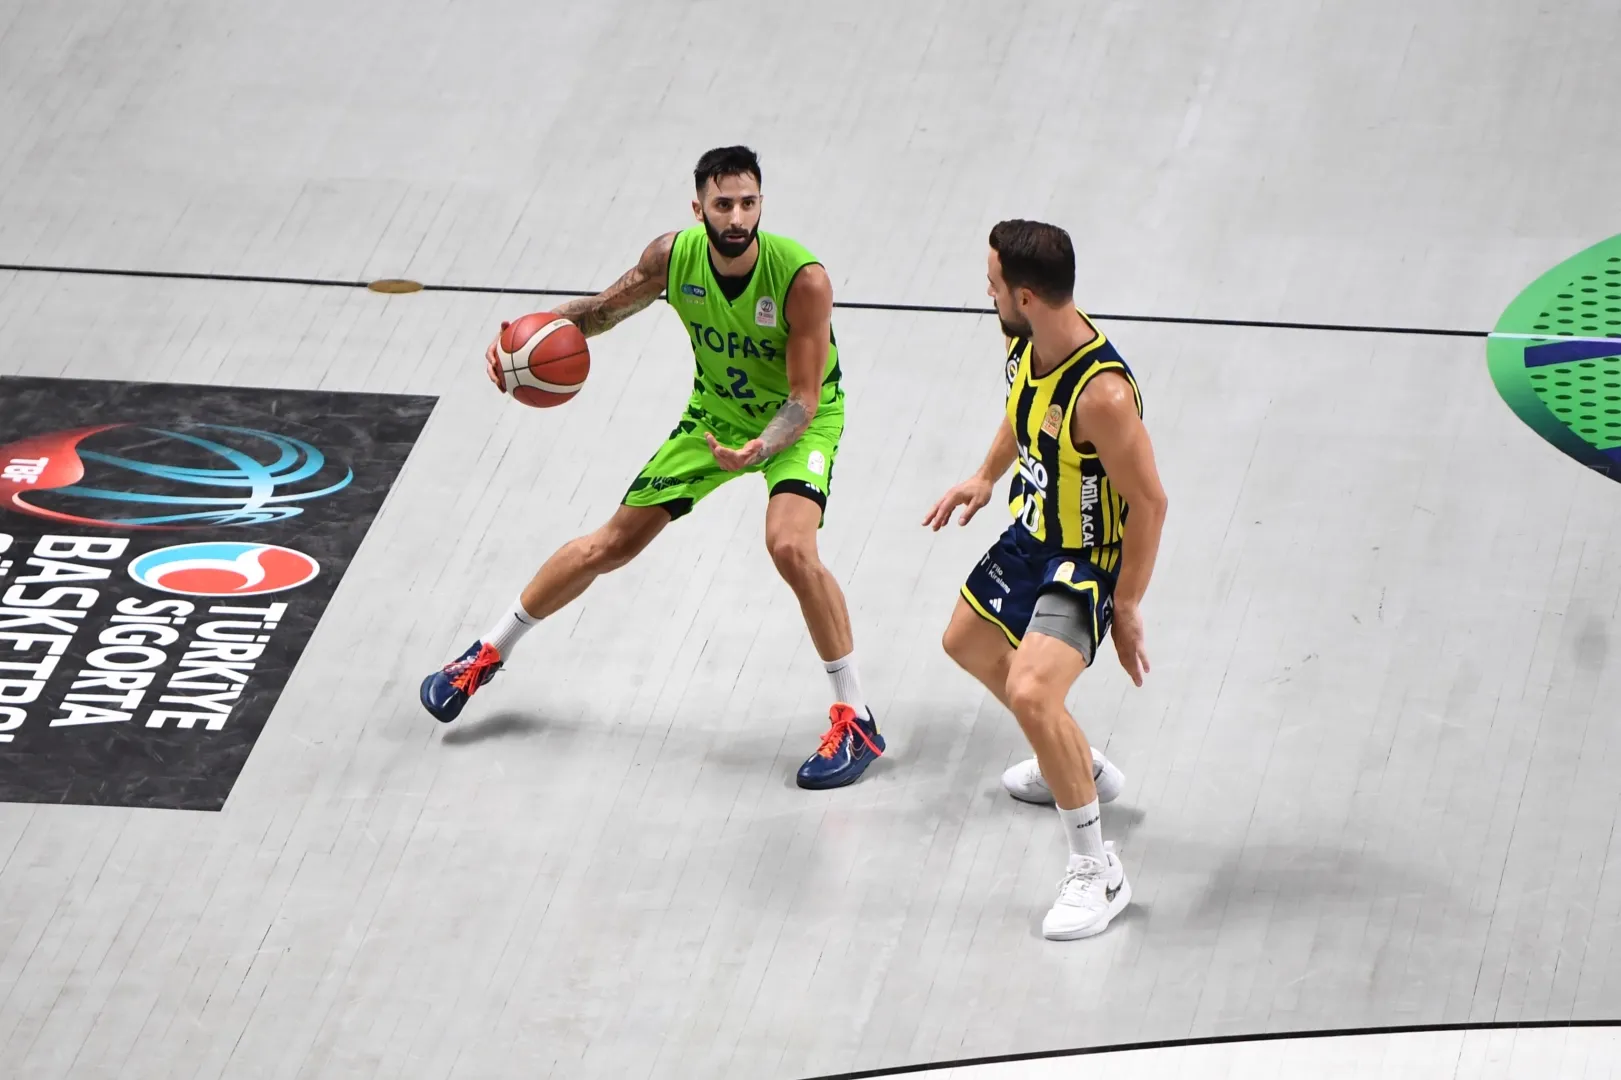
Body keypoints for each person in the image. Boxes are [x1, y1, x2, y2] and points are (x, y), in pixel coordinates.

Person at [420, 145, 885, 790]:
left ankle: (856, 719)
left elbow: (804, 399)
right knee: (610, 545)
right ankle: (484, 654)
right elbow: (599, 313)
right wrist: (519, 343)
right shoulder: (673, 257)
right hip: (713, 418)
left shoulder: (802, 279)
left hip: (795, 424)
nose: (737, 217)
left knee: (789, 547)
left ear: (761, 205)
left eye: (748, 203)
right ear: (698, 209)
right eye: (723, 204)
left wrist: (759, 449)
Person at [924, 219, 1168, 939]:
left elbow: (1151, 502)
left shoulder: (1102, 397)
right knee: (966, 642)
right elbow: (1021, 412)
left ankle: (1098, 869)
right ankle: (1071, 760)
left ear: (1025, 295)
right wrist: (984, 474)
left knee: (1032, 692)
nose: (988, 293)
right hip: (1033, 533)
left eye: (993, 284)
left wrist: (1127, 605)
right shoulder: (1024, 340)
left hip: (1088, 556)